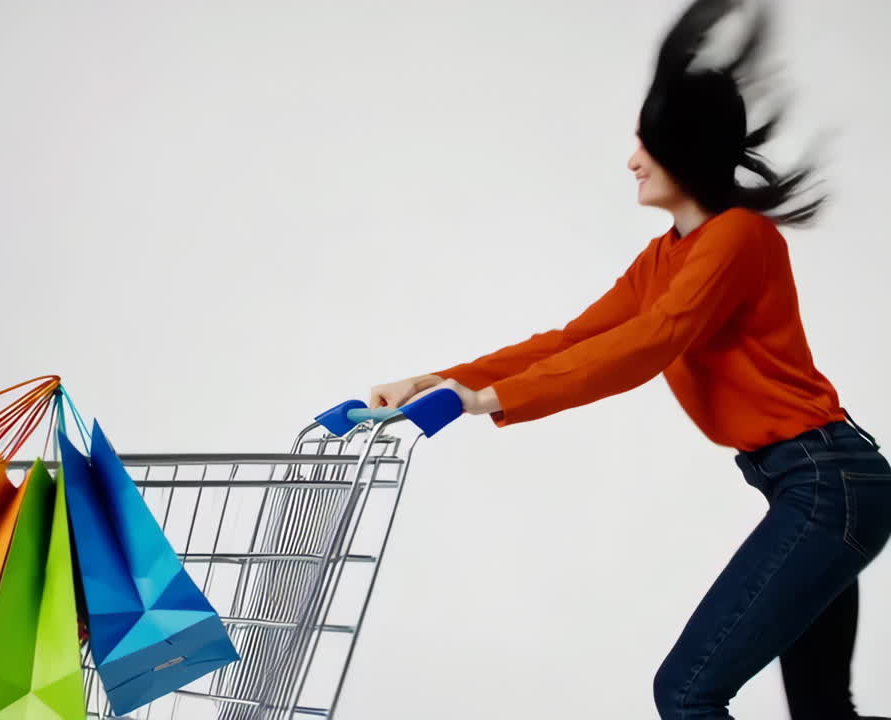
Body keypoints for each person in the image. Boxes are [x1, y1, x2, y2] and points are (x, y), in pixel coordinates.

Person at [367, 1, 891, 718]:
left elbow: (650, 342)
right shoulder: (664, 258)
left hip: (830, 486)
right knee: (822, 707)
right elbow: (572, 340)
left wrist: (485, 402)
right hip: (813, 486)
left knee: (688, 691)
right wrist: (444, 380)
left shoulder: (739, 239)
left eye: (646, 143)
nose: (631, 159)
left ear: (685, 147)